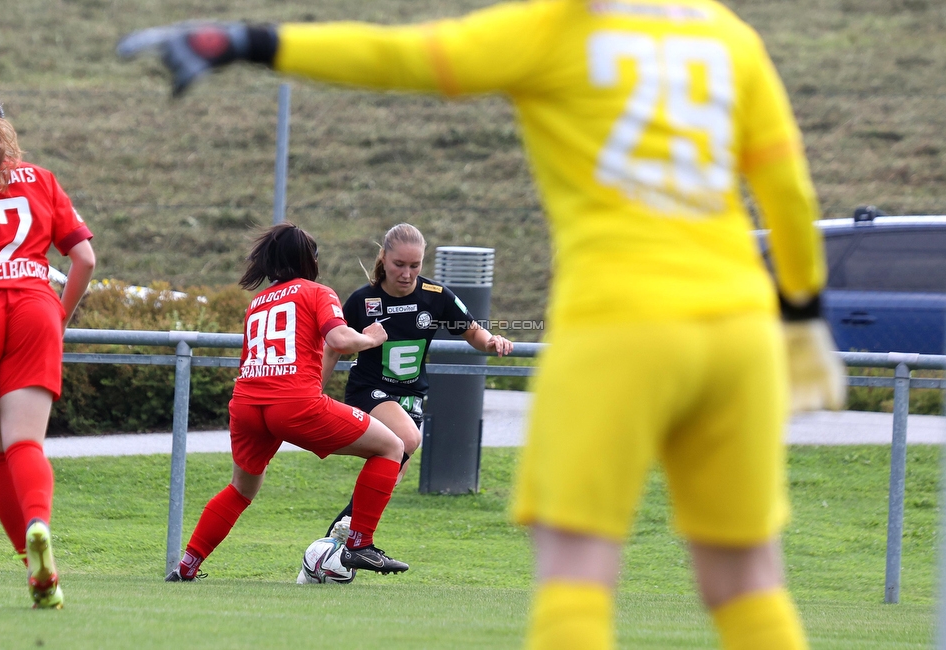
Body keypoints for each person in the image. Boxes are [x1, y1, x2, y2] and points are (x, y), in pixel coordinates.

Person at [118, 4, 846, 647]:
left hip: (620, 323)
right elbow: (788, 194)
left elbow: (401, 55)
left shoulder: (558, 25)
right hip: (740, 328)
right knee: (749, 581)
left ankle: (295, 548)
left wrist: (248, 40)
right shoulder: (730, 37)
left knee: (578, 576)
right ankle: (349, 542)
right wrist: (805, 318)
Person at [165, 223, 409, 582]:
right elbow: (340, 340)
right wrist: (369, 338)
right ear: (307, 259)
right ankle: (359, 545)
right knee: (392, 446)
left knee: (240, 489)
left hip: (247, 405)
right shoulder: (316, 291)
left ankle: (186, 566)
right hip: (293, 403)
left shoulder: (257, 303)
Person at [321, 223, 513, 536]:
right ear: (383, 258)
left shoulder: (436, 297)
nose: (407, 273)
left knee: (387, 480)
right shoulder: (362, 301)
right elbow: (332, 348)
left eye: (415, 265)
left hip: (411, 399)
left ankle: (336, 544)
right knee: (407, 440)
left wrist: (491, 341)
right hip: (370, 391)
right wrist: (313, 393)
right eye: (399, 264)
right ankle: (346, 538)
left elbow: (473, 332)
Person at [0, 89, 96, 609]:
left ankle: (38, 574)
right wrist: (57, 314)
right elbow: (84, 258)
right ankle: (39, 532)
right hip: (35, 305)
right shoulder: (40, 178)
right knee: (23, 445)